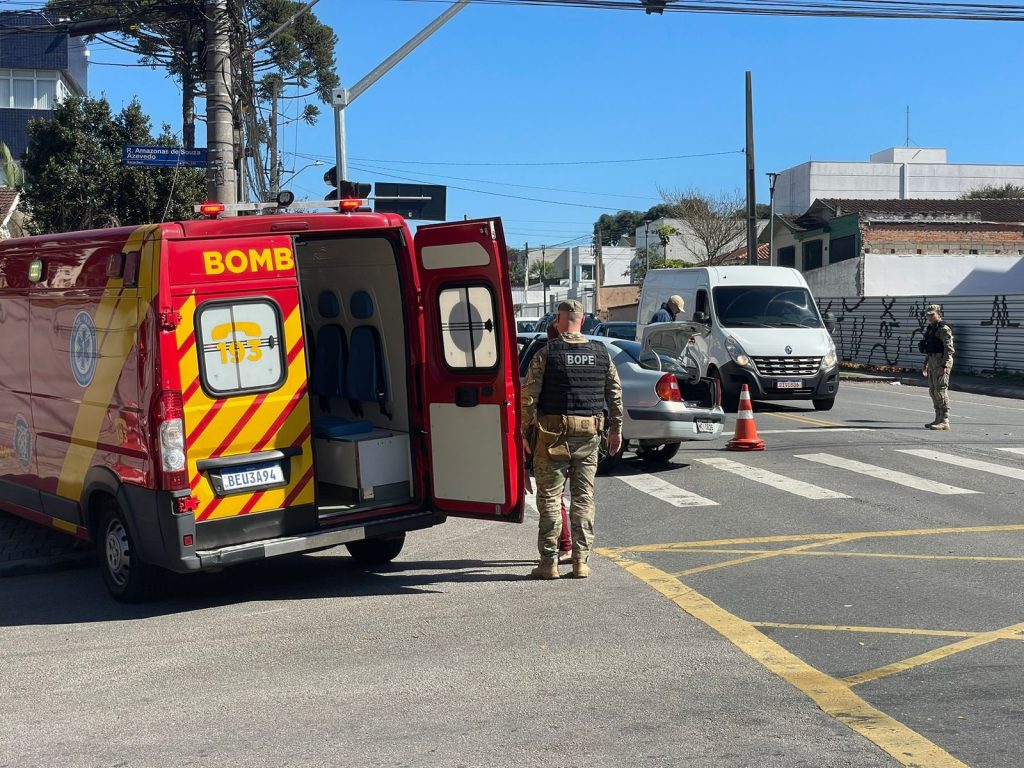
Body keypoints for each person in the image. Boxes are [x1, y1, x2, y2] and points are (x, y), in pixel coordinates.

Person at [521, 300, 623, 580]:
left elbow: (528, 398)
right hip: (590, 435)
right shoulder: (601, 353)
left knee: (551, 499)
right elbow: (614, 393)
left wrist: (523, 435)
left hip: (552, 436)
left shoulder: (546, 353)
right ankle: (580, 562)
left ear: (558, 320)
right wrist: (616, 429)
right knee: (583, 499)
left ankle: (549, 563)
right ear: (584, 320)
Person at [919, 304, 955, 430]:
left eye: (932, 314)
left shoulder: (943, 329)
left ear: (939, 314)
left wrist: (944, 365)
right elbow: (929, 347)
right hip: (933, 360)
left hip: (942, 360)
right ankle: (937, 418)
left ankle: (945, 420)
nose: (929, 317)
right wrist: (926, 363)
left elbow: (949, 349)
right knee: (933, 390)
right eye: (928, 315)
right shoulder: (931, 328)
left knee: (940, 390)